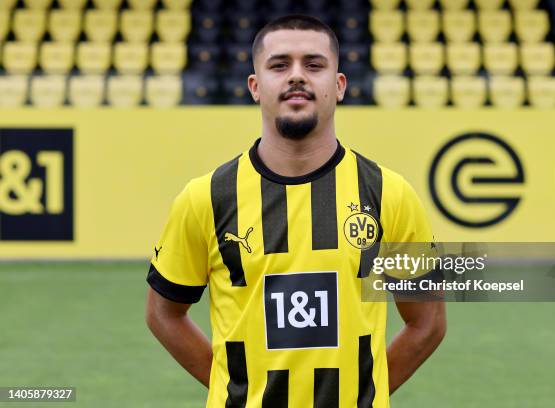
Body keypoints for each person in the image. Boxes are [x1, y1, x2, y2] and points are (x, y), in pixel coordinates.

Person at [145, 14, 446, 407]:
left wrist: (364, 391)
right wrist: (233, 386)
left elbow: (428, 323)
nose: (297, 76)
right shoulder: (205, 198)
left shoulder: (391, 194)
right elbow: (163, 314)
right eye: (280, 64)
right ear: (256, 86)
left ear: (339, 86)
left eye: (315, 64)